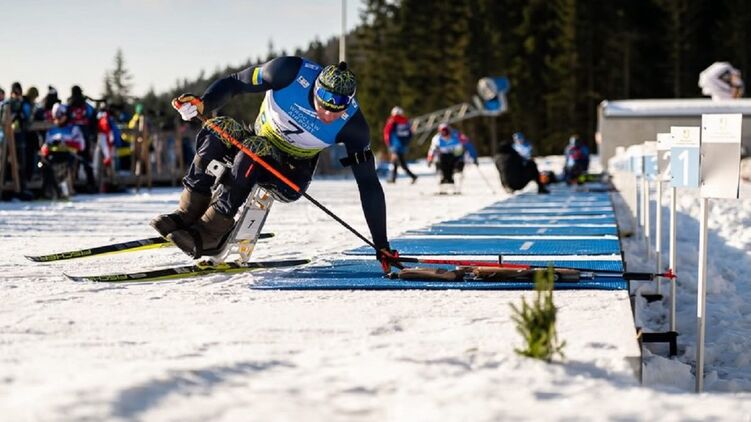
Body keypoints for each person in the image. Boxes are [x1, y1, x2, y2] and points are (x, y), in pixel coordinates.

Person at [150, 57, 397, 272]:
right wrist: (203, 103)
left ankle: (214, 230)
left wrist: (381, 244)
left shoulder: (354, 126)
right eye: (323, 101)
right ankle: (189, 211)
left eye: (338, 109)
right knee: (219, 127)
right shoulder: (288, 72)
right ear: (315, 87)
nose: (328, 113)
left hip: (290, 173)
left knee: (255, 149)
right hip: (255, 141)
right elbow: (236, 82)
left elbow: (368, 184)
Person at [39, 104, 85, 199]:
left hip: (69, 156)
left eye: (60, 117)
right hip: (53, 156)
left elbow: (81, 145)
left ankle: (67, 191)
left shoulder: (73, 129)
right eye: (55, 117)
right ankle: (48, 192)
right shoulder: (51, 130)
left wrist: (65, 142)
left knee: (65, 169)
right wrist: (49, 145)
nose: (58, 120)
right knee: (44, 165)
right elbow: (44, 147)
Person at [67, 85, 97, 192]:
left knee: (73, 161)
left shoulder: (69, 106)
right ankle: (91, 183)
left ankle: (72, 183)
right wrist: (93, 134)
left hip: (73, 136)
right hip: (85, 135)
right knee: (86, 160)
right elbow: (93, 118)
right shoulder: (86, 106)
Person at [382, 106, 417, 183]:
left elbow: (387, 132)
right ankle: (395, 178)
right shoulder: (406, 121)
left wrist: (388, 142)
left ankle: (395, 178)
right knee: (398, 161)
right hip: (403, 145)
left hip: (395, 144)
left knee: (397, 161)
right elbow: (411, 133)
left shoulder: (392, 120)